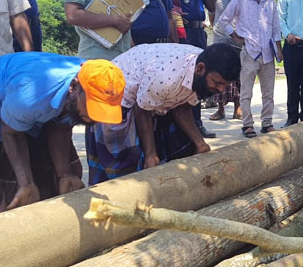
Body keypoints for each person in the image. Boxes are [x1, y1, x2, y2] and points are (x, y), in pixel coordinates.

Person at [0, 52, 125, 219]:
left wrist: (64, 174)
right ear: (73, 87)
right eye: (92, 106)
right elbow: (11, 132)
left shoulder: (93, 81)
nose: (95, 117)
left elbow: (61, 126)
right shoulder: (31, 94)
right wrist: (26, 183)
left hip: (23, 110)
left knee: (68, 176)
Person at [85, 43, 240, 184]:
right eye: (218, 83)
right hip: (116, 98)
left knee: (183, 147)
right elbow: (142, 111)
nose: (221, 90)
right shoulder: (165, 78)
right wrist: (150, 154)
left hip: (149, 97)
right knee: (126, 165)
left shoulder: (202, 69)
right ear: (200, 69)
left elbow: (181, 107)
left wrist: (200, 143)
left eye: (225, 85)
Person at [218, 0, 282, 138]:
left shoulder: (270, 0)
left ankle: (267, 123)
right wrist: (234, 36)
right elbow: (223, 21)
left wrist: (279, 48)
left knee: (268, 93)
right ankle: (247, 125)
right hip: (249, 53)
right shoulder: (240, 1)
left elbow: (276, 27)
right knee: (246, 92)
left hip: (268, 54)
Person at [173, 0, 218, 138]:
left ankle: (198, 123)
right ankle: (182, 127)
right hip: (183, 34)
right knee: (182, 78)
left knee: (199, 78)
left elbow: (211, 6)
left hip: (199, 33)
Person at [209, 0, 242, 121]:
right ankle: (220, 110)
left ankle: (238, 108)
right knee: (219, 77)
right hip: (220, 43)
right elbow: (211, 18)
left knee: (238, 77)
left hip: (238, 44)